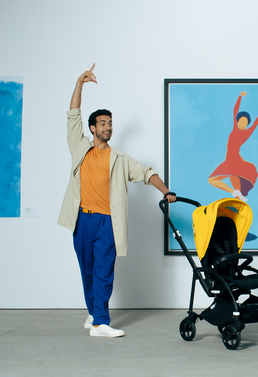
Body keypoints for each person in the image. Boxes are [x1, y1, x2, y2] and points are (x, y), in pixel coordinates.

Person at [58, 64, 176, 338]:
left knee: (103, 272)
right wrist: (79, 83)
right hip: (81, 220)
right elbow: (73, 114)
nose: (108, 127)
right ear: (92, 128)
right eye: (103, 123)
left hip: (107, 223)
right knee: (87, 271)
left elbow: (147, 173)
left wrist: (165, 190)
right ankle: (93, 313)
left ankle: (100, 322)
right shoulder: (80, 147)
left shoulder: (120, 159)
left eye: (110, 123)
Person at [208, 91, 258, 202]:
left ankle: (237, 195)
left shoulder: (247, 132)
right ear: (237, 121)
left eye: (245, 122)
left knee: (214, 179)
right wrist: (240, 96)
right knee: (221, 179)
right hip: (231, 159)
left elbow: (257, 121)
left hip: (233, 159)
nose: (243, 123)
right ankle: (236, 194)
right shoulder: (235, 128)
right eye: (241, 121)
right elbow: (235, 110)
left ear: (247, 124)